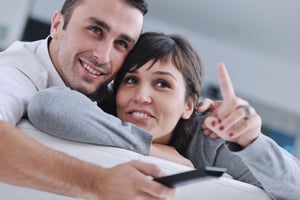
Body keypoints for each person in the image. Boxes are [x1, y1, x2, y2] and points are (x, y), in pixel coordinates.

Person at [28, 32, 300, 199]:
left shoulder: (209, 137)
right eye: (131, 80)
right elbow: (46, 106)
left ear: (188, 105)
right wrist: (150, 147)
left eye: (162, 84)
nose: (141, 96)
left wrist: (251, 141)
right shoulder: (100, 116)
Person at [0, 1, 176, 199]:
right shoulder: (14, 73)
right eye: (95, 30)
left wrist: (210, 122)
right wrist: (97, 182)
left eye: (121, 43)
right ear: (57, 25)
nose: (103, 57)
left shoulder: (111, 83)